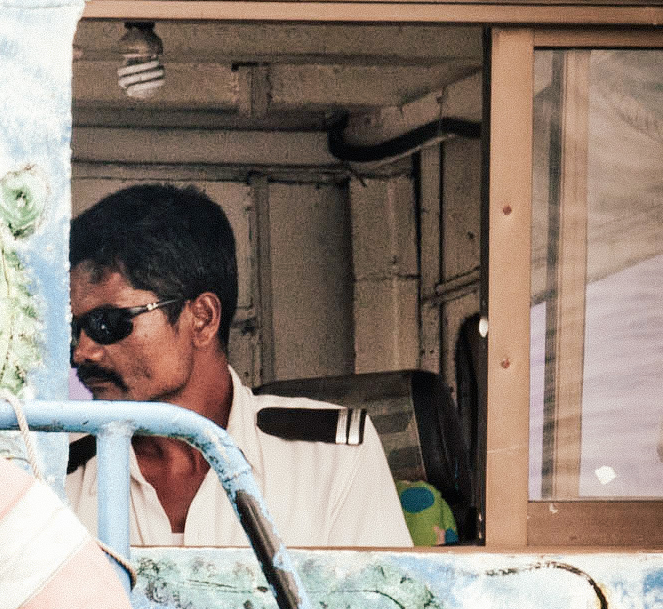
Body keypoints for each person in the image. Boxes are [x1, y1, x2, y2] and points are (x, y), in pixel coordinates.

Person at [66, 183, 412, 548]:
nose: (83, 352)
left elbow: (382, 602)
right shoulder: (56, 472)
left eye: (107, 323)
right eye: (75, 329)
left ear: (202, 318)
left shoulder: (331, 460)